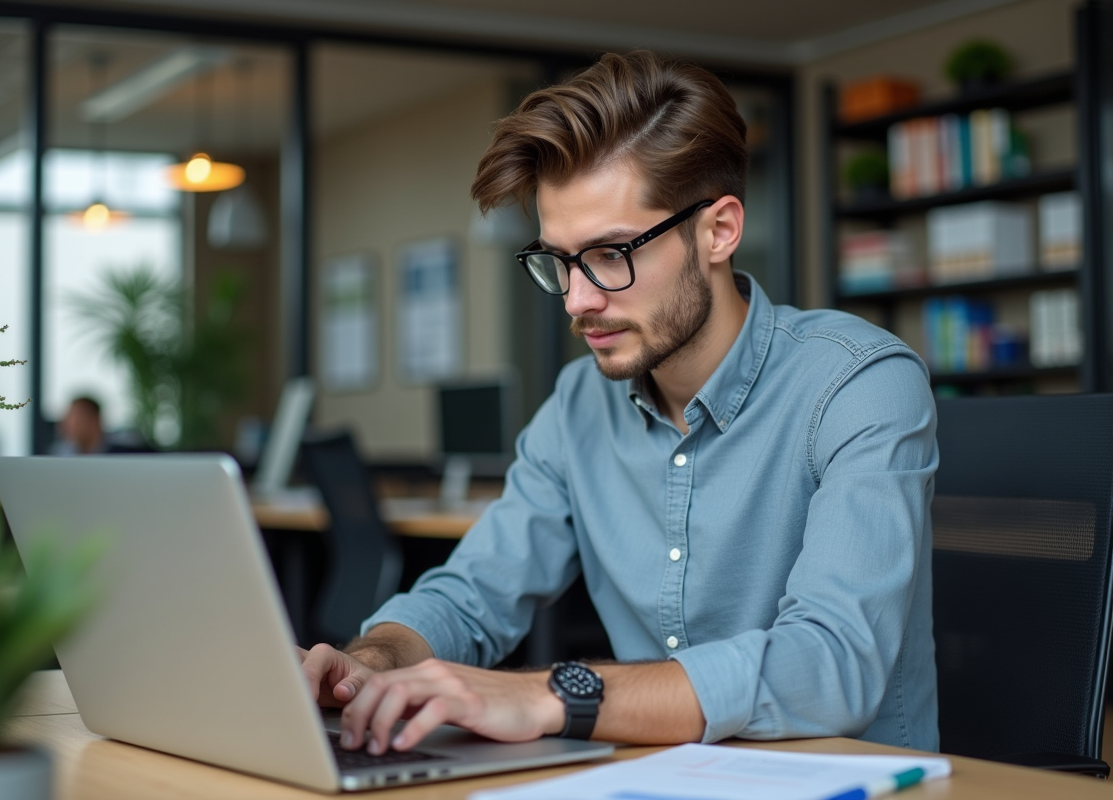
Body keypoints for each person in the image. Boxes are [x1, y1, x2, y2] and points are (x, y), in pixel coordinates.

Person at [300, 51, 938, 755]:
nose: (578, 300)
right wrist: (373, 661)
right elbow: (471, 594)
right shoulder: (578, 404)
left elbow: (831, 667)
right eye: (561, 261)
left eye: (610, 254)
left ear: (718, 231)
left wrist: (549, 695)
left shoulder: (857, 382)